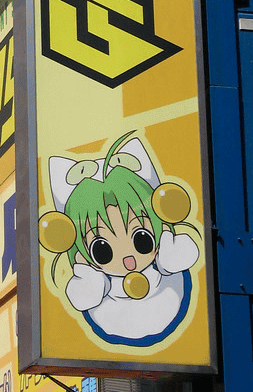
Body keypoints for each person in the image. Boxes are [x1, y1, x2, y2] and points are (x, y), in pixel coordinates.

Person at [41, 132, 200, 346]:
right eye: (102, 250)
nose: (128, 259)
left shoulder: (169, 262)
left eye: (142, 239)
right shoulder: (97, 290)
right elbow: (83, 296)